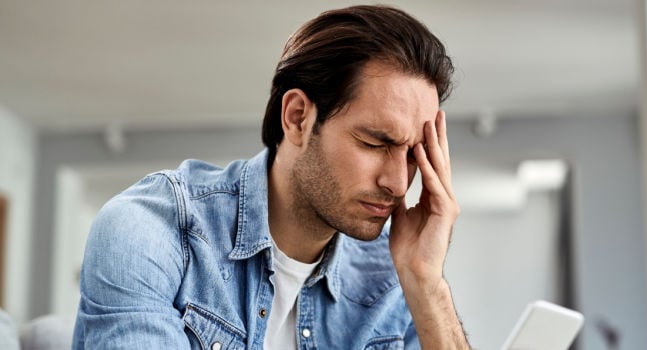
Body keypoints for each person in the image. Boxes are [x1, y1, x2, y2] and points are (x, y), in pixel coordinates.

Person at [72, 4, 470, 349]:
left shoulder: (393, 276)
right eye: (375, 142)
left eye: (415, 155)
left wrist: (426, 285)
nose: (399, 184)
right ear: (298, 117)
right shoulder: (148, 230)